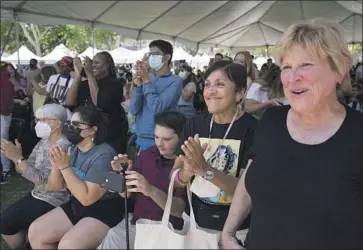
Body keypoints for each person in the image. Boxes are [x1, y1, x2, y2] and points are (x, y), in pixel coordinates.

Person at [221, 19, 363, 250]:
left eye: (306, 64)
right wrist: (228, 233)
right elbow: (250, 177)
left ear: (340, 68)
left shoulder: (358, 134)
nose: (292, 77)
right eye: (286, 67)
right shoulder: (272, 121)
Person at [173, 60, 258, 244]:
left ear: (240, 93)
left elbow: (245, 190)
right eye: (208, 85)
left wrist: (204, 169)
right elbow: (176, 180)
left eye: (220, 84)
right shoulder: (194, 124)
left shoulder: (253, 129)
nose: (210, 91)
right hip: (195, 223)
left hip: (236, 230)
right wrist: (187, 171)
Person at [28, 106, 124, 249]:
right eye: (69, 123)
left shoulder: (104, 154)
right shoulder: (71, 147)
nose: (69, 127)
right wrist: (56, 164)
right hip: (77, 204)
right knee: (36, 232)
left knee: (68, 246)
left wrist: (65, 167)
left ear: (92, 130)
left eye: (76, 124)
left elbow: (88, 198)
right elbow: (55, 187)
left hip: (104, 208)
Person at [98, 111, 187, 249]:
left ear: (181, 137)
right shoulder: (148, 154)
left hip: (167, 232)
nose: (159, 144)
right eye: (156, 137)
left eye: (166, 139)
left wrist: (150, 190)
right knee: (113, 236)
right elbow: (125, 194)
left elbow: (179, 210)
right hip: (137, 224)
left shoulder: (187, 165)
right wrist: (120, 174)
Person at [0, 104, 71, 249]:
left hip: (54, 198)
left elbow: (47, 183)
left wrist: (19, 159)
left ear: (57, 124)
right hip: (38, 194)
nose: (38, 124)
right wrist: (16, 158)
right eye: (38, 120)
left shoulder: (63, 146)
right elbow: (25, 170)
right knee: (6, 222)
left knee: (5, 222)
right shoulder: (43, 142)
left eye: (43, 120)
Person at [66, 52, 128, 153]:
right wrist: (78, 75)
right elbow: (69, 102)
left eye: (96, 63)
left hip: (107, 138)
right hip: (86, 137)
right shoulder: (86, 83)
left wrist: (90, 74)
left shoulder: (114, 84)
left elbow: (99, 103)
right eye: (92, 63)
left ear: (107, 65)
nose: (93, 65)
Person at [130, 40, 182, 151]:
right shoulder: (147, 77)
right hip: (140, 138)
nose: (151, 57)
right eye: (150, 54)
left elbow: (157, 108)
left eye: (155, 54)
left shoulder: (175, 81)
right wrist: (138, 87)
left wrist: (147, 82)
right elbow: (134, 109)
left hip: (158, 142)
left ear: (166, 58)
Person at [0, 62, 15, 184]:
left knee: (2, 142)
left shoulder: (7, 83)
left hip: (3, 115)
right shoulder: (7, 82)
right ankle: (5, 170)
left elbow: (5, 105)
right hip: (3, 115)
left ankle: (6, 170)